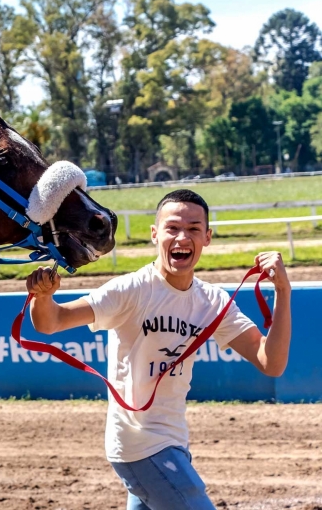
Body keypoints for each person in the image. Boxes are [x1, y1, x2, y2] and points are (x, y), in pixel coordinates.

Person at [25, 189, 291, 510]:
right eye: (172, 228)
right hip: (140, 446)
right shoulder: (131, 289)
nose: (182, 237)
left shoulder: (213, 301)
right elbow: (52, 321)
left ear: (207, 237)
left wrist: (283, 293)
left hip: (174, 443)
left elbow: (270, 362)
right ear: (154, 235)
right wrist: (43, 296)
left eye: (193, 229)